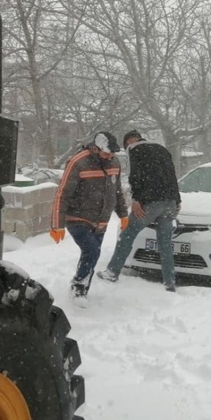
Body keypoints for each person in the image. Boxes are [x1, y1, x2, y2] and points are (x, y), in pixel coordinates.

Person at [50, 131, 128, 305]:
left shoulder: (114, 162)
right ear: (96, 148)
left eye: (113, 153)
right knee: (92, 251)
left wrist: (123, 214)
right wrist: (57, 224)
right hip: (77, 217)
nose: (110, 156)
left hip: (101, 220)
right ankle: (78, 288)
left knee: (91, 255)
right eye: (107, 152)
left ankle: (82, 290)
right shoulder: (79, 162)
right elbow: (63, 193)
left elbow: (117, 192)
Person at [97, 130, 181, 291]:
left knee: (127, 234)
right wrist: (177, 199)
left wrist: (136, 200)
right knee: (165, 243)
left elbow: (135, 176)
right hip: (169, 202)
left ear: (128, 142)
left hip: (149, 203)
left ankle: (112, 271)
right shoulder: (162, 149)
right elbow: (172, 174)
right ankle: (169, 281)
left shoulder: (134, 149)